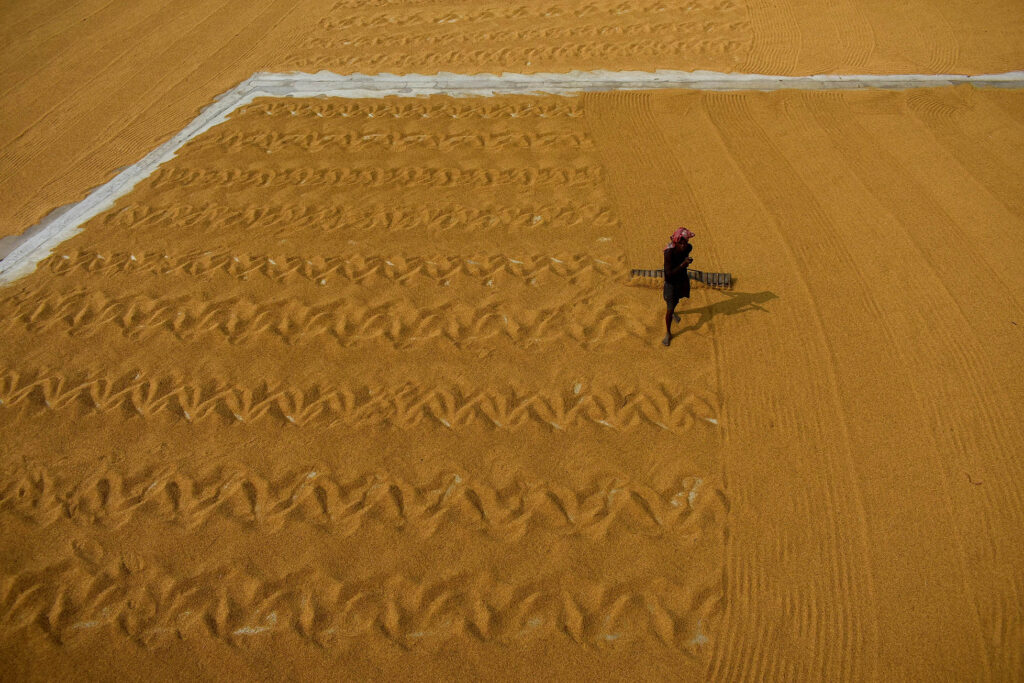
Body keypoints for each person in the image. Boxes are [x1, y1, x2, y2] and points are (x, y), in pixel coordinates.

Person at [662, 227, 694, 346]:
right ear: (678, 242)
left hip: (681, 279)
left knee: (678, 298)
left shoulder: (687, 248)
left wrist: (686, 260)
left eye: (687, 242)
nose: (686, 245)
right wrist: (683, 264)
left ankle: (673, 310)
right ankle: (668, 333)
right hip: (671, 283)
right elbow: (669, 275)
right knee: (669, 308)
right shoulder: (669, 253)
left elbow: (689, 250)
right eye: (684, 242)